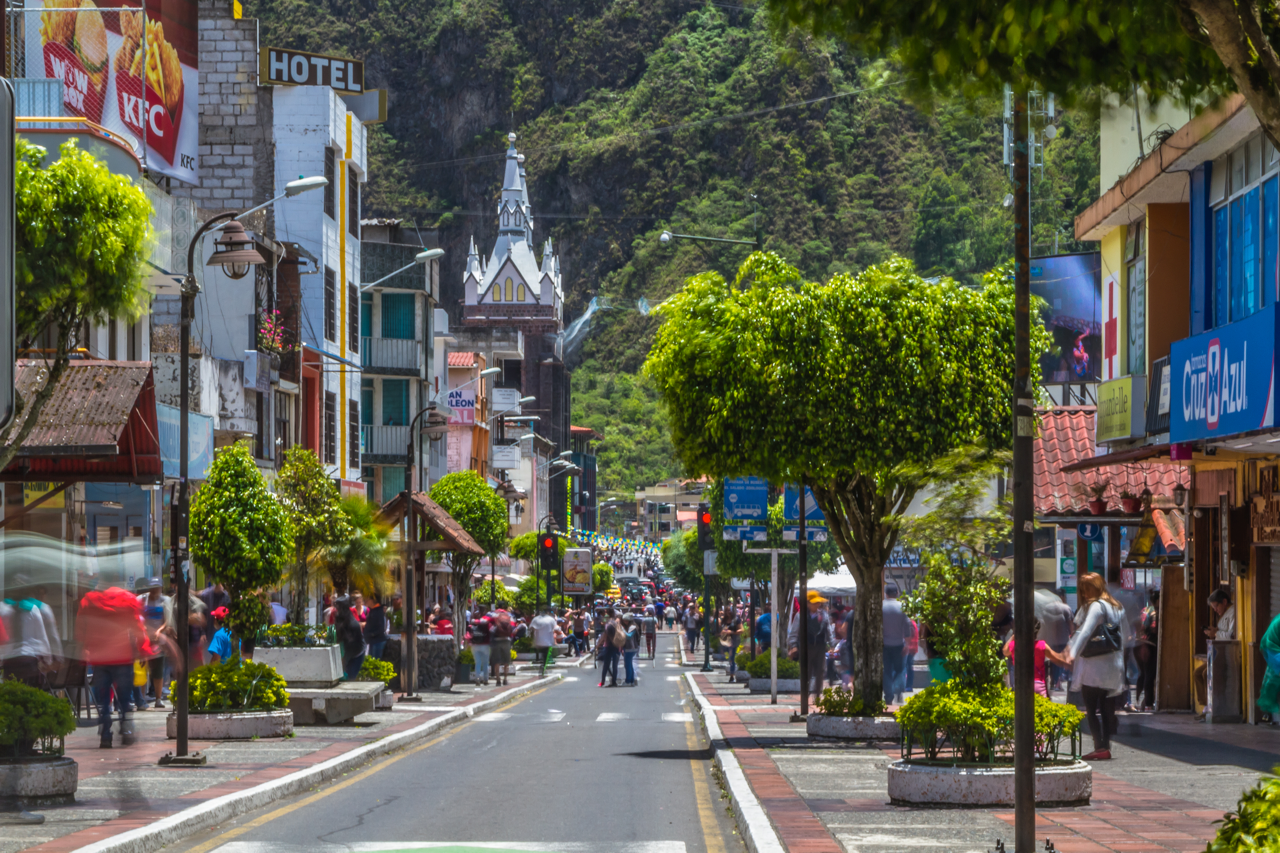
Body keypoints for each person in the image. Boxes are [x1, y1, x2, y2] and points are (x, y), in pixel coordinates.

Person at [77, 583, 152, 748]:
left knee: (103, 700)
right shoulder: (127, 599)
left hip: (100, 658)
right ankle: (126, 728)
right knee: (124, 698)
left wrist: (83, 649)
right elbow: (137, 626)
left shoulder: (90, 601)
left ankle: (105, 732)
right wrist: (143, 650)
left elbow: (81, 628)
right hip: (122, 657)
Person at [1065, 572, 1129, 761]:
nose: (1084, 594)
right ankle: (1106, 746)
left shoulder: (1095, 606)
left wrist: (1072, 653)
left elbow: (1085, 632)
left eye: (1086, 590)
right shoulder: (1117, 606)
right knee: (1108, 707)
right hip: (1113, 666)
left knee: (1091, 709)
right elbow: (1126, 635)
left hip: (1094, 666)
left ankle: (1098, 746)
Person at [1004, 620, 1070, 697]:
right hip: (1039, 685)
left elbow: (1005, 652)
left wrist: (1014, 636)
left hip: (1021, 685)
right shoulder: (1041, 645)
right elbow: (1057, 658)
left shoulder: (1014, 645)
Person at [788, 591, 836, 694]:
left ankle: (818, 694)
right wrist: (793, 645)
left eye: (818, 602)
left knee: (820, 672)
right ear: (808, 603)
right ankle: (805, 694)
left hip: (820, 647)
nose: (817, 604)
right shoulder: (800, 616)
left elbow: (829, 631)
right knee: (806, 673)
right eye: (814, 602)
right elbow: (794, 632)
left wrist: (832, 645)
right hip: (806, 648)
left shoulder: (824, 615)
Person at [136, 578, 173, 708]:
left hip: (158, 640)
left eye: (157, 587)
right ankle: (141, 698)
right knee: (142, 669)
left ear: (161, 588)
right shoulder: (141, 599)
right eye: (152, 587)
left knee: (158, 670)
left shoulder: (165, 600)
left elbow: (168, 620)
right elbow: (137, 617)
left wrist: (159, 631)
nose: (154, 590)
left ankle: (158, 698)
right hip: (143, 639)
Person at [881, 584, 913, 704]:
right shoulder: (902, 607)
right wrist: (907, 644)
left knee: (887, 671)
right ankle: (898, 692)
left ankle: (888, 697)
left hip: (884, 645)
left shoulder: (881, 606)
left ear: (886, 594)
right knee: (900, 670)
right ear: (897, 593)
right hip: (899, 644)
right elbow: (907, 626)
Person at [1134, 587, 1159, 711]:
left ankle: (1138, 701)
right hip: (1149, 645)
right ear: (1158, 601)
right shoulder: (1156, 612)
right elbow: (1154, 628)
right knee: (1150, 674)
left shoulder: (1144, 610)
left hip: (1138, 644)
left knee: (1143, 674)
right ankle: (1148, 704)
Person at [333, 597, 366, 680]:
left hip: (356, 653)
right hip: (349, 650)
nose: (336, 609)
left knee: (350, 678)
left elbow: (350, 644)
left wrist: (344, 659)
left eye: (338, 607)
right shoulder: (341, 618)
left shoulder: (350, 622)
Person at [530, 607, 558, 677]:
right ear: (548, 612)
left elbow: (531, 629)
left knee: (541, 654)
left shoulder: (536, 619)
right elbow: (556, 629)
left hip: (538, 641)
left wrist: (533, 639)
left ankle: (542, 666)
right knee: (545, 655)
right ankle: (543, 668)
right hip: (547, 641)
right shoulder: (551, 619)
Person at [363, 592, 390, 661]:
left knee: (375, 663)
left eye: (367, 599)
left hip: (377, 642)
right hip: (373, 642)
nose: (365, 601)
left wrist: (370, 634)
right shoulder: (373, 610)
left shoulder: (378, 611)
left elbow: (380, 628)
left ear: (373, 600)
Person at [600, 610, 623, 687]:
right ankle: (614, 681)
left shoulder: (608, 624)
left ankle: (603, 681)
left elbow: (605, 636)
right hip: (617, 646)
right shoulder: (617, 624)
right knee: (615, 665)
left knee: (606, 665)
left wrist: (598, 645)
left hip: (608, 646)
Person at [469, 610, 492, 685]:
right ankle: (485, 679)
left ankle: (477, 679)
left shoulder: (471, 624)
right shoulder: (487, 624)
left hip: (475, 645)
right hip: (485, 645)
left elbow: (469, 635)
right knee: (485, 663)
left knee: (477, 663)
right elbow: (491, 632)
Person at [491, 610, 514, 686]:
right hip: (506, 641)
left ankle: (498, 680)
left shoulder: (495, 619)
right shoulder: (509, 619)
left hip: (497, 642)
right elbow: (512, 630)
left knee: (497, 661)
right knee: (506, 661)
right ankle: (505, 679)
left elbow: (491, 631)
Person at [723, 606, 743, 677]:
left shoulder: (736, 620)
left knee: (731, 658)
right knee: (730, 658)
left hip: (733, 641)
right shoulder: (724, 620)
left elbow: (741, 630)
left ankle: (732, 675)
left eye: (729, 610)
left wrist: (731, 632)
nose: (728, 612)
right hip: (725, 641)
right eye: (726, 610)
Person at [622, 615, 640, 685]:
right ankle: (631, 680)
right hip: (629, 648)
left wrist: (622, 630)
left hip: (631, 648)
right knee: (629, 664)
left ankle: (628, 681)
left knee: (627, 665)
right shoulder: (630, 627)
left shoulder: (633, 627)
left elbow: (629, 636)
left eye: (626, 621)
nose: (625, 622)